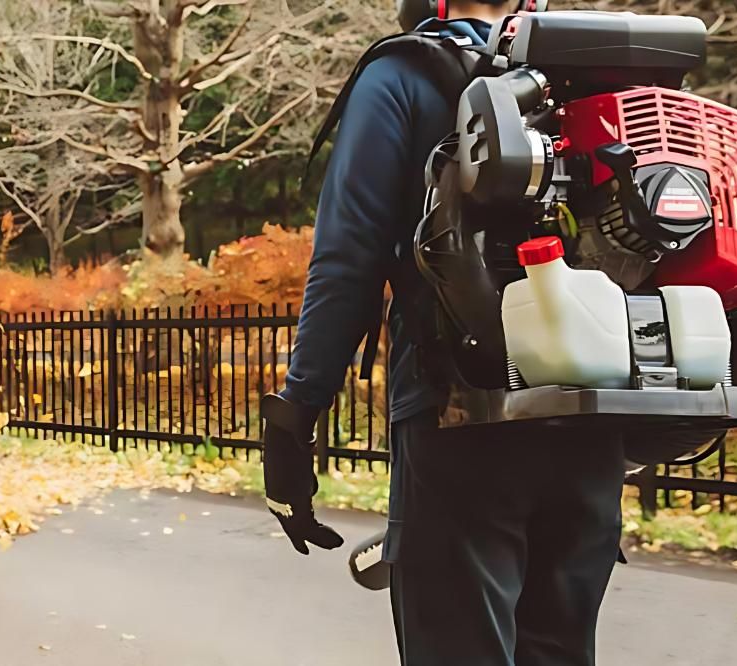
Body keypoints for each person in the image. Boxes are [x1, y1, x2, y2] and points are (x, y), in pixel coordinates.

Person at [259, 1, 627, 664]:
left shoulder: (403, 75)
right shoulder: (594, 77)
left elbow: (349, 260)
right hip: (589, 421)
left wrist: (295, 419)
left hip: (460, 417)